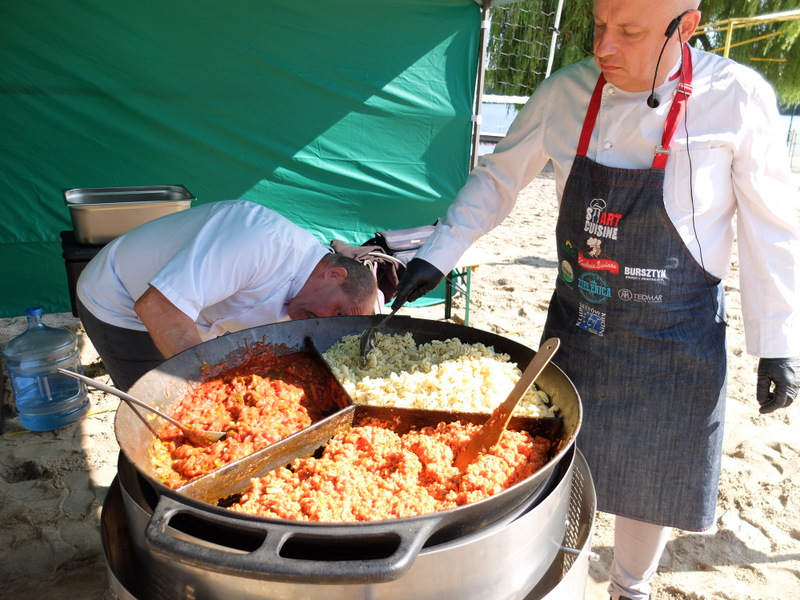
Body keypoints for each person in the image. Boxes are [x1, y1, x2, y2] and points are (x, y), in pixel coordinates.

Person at [393, 1, 800, 598]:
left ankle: (630, 587)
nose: (604, 47)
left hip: (676, 334)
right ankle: (556, 570)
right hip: (577, 325)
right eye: (599, 26)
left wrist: (779, 343)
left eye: (629, 32)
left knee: (655, 475)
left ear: (685, 27)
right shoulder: (566, 91)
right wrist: (439, 252)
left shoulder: (736, 98)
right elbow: (500, 177)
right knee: (553, 461)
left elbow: (773, 224)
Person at [77, 200, 378, 391]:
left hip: (194, 317)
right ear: (334, 275)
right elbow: (158, 307)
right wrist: (211, 386)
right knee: (157, 410)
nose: (327, 322)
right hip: (121, 301)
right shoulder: (260, 243)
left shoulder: (311, 288)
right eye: (338, 313)